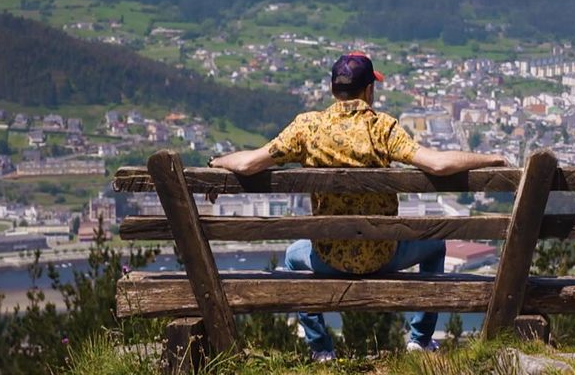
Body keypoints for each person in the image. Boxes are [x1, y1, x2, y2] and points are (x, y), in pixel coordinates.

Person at [209, 51, 506, 361]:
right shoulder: (382, 128)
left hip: (328, 258)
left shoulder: (306, 128)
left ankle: (322, 349)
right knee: (436, 245)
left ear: (334, 91)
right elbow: (439, 164)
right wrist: (491, 159)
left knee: (292, 256)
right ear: (369, 90)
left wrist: (215, 165)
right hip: (382, 255)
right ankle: (419, 339)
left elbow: (247, 163)